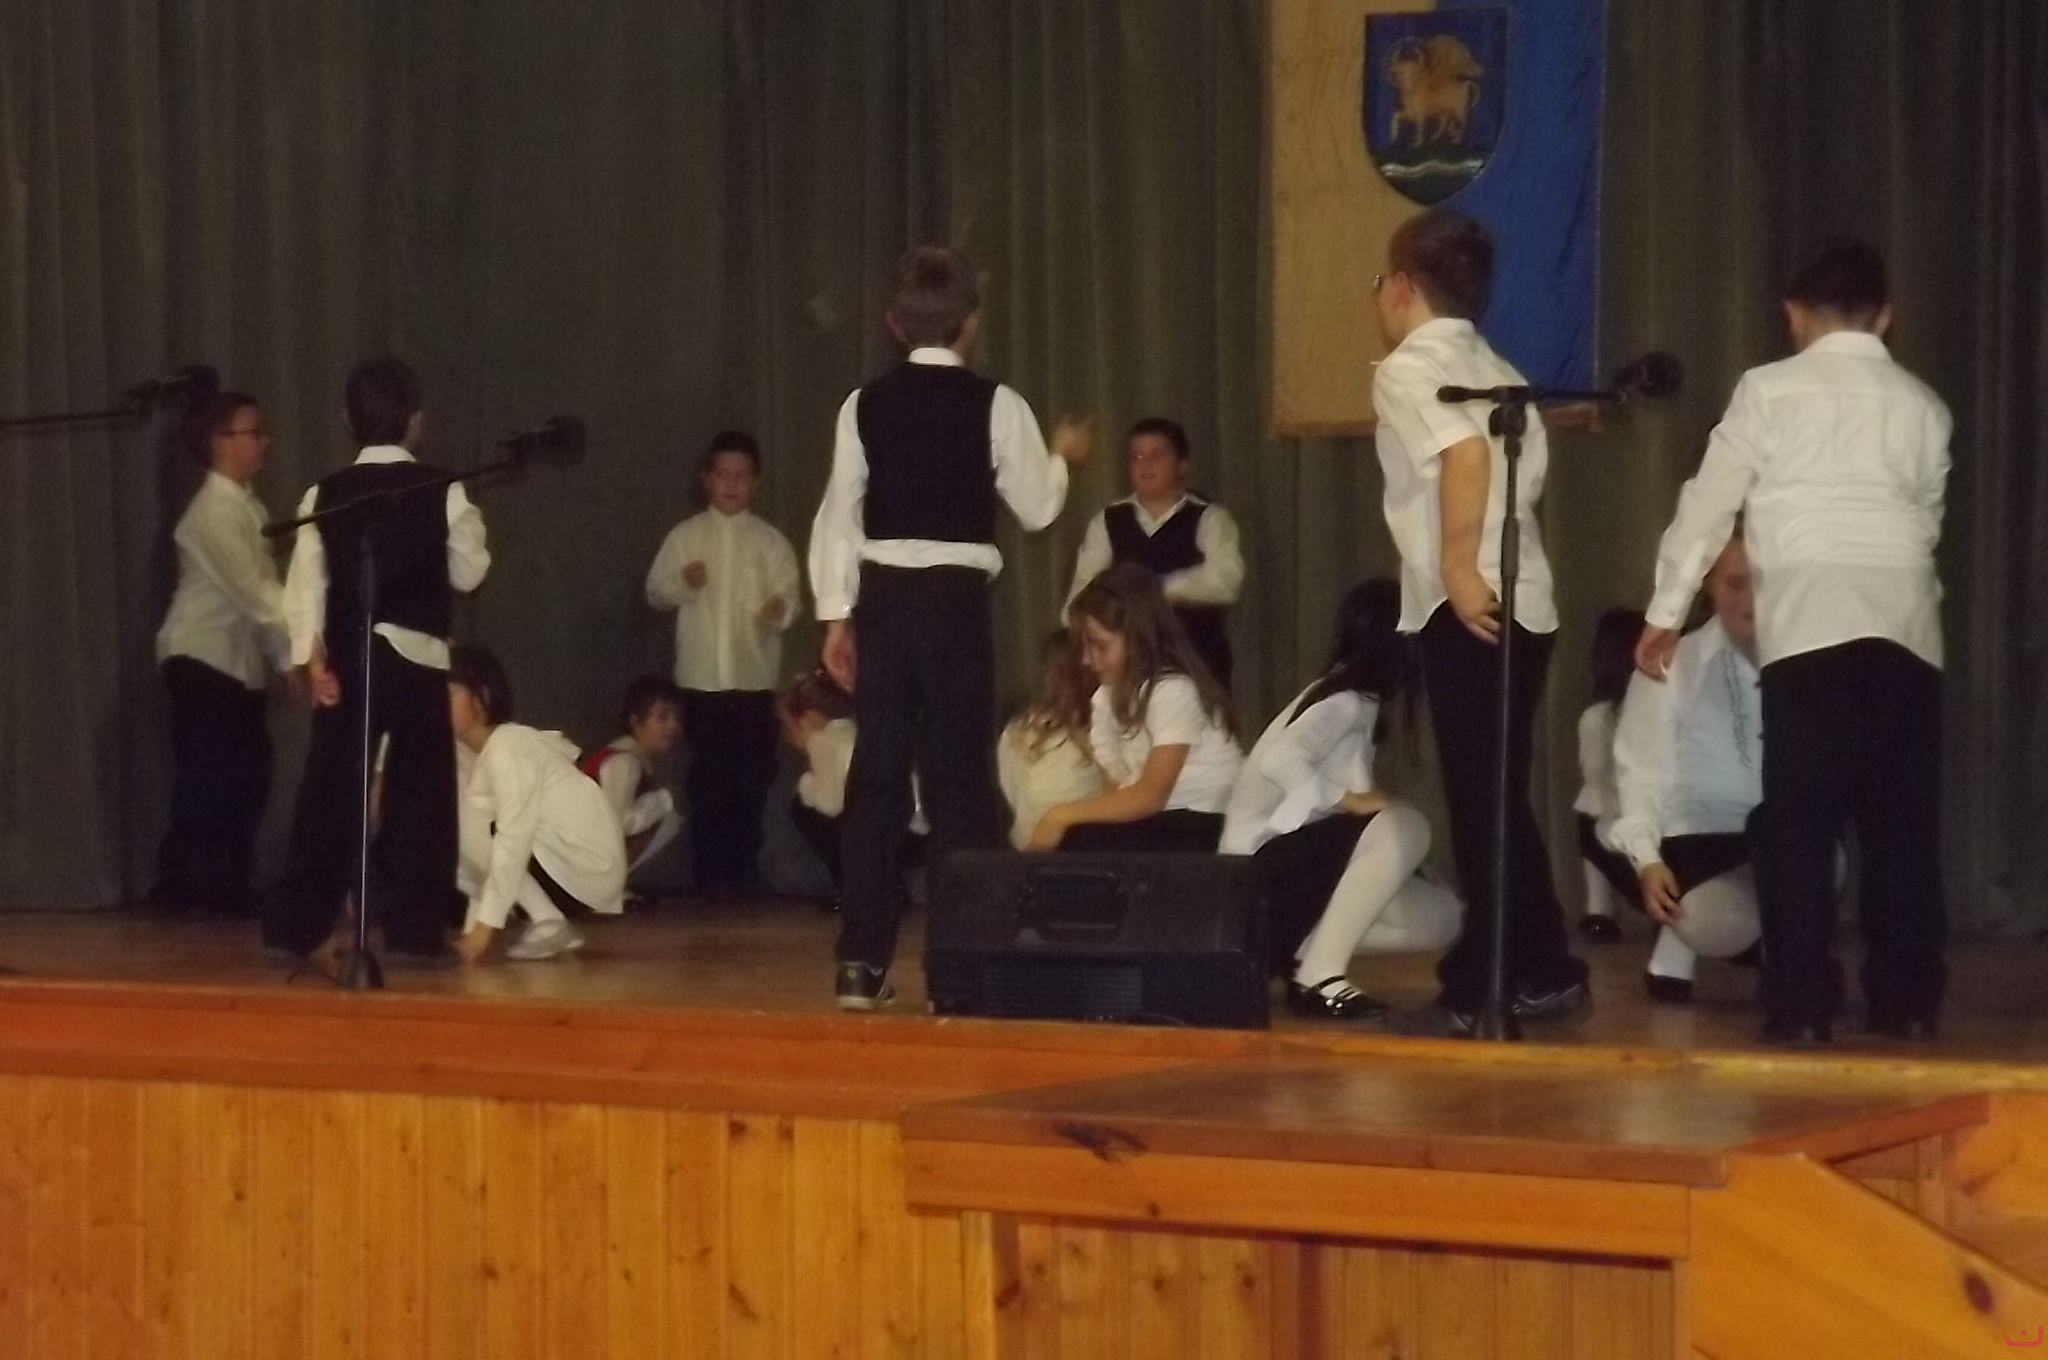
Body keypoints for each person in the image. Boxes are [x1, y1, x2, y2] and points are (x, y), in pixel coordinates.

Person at [1636, 237, 1951, 1046]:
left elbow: (1708, 504)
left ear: (1793, 314)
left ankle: (1802, 1007)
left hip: (1810, 627)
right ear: (1885, 315)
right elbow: (1926, 519)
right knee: (1902, 830)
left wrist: (1666, 609)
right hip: (1907, 629)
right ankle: (1908, 1002)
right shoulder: (1925, 405)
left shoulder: (1767, 391)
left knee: (1799, 828)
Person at [808, 244, 1092, 1009]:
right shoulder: (997, 404)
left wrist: (835, 615)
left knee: (877, 778)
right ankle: (956, 971)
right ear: (971, 323)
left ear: (893, 324)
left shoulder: (862, 404)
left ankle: (859, 962)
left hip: (883, 601)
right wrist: (1062, 458)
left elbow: (839, 515)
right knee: (959, 782)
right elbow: (1038, 508)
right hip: (955, 602)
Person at [1369, 209, 1588, 1035]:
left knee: (1480, 800)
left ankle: (1481, 988)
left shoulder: (1409, 369)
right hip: (1527, 596)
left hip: (1472, 600)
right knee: (1497, 796)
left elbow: (1464, 456)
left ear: (1402, 287)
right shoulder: (1497, 366)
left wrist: (1459, 571)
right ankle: (1542, 967)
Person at [271, 357, 489, 967]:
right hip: (418, 658)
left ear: (347, 420)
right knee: (422, 794)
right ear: (416, 421)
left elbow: (305, 586)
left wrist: (312, 661)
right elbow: (471, 571)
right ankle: (415, 928)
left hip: (352, 656)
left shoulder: (324, 493)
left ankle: (299, 927)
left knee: (331, 789)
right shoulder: (442, 488)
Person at [1220, 580, 1462, 1020]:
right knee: (1407, 825)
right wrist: (1345, 798)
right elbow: (1280, 760)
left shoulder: (1356, 703)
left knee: (1443, 916)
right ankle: (1319, 975)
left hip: (1284, 881)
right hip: (1255, 880)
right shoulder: (1343, 702)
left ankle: (1308, 955)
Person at [151, 391, 293, 920]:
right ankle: (190, 886)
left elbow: (260, 598)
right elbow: (257, 595)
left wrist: (284, 661)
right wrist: (298, 655)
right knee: (211, 776)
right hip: (201, 656)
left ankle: (222, 883)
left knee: (245, 772)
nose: (264, 442)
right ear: (219, 442)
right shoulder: (212, 512)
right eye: (253, 432)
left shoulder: (247, 507)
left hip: (233, 663)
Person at [644, 430, 802, 899]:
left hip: (753, 681)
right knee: (707, 781)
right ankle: (710, 874)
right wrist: (682, 581)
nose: (731, 484)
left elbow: (790, 596)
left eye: (741, 476)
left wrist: (779, 608)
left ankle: (744, 871)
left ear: (756, 483)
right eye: (723, 475)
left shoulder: (771, 543)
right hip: (701, 681)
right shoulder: (685, 536)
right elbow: (656, 591)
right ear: (707, 479)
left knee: (751, 780)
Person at [1613, 535, 1765, 1004]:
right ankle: (1688, 943)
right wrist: (1647, 858)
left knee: (1821, 858)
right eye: (1735, 583)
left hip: (1776, 837)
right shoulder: (1673, 661)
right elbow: (1640, 767)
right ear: (1709, 587)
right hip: (1698, 840)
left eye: (1762, 580)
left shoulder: (1803, 664)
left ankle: (1777, 945)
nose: (1749, 597)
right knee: (1708, 917)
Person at [1028, 564, 1243, 853]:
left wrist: (1058, 816)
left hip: (1202, 823)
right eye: (1084, 648)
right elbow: (1113, 793)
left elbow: (1152, 795)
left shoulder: (1173, 690)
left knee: (1080, 838)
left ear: (1138, 638)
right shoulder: (1105, 698)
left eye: (1100, 647)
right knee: (1082, 839)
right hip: (1158, 822)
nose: (1087, 660)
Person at [448, 646, 627, 963]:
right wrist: (473, 929)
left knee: (466, 822)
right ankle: (545, 919)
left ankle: (547, 920)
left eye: (449, 693)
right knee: (452, 823)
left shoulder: (508, 747)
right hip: (557, 862)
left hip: (584, 869)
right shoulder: (470, 754)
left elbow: (512, 836)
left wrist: (484, 927)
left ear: (483, 697)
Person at [1065, 418, 1245, 688]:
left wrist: (1156, 591)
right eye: (1136, 457)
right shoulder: (1108, 520)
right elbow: (1081, 594)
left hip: (1197, 663)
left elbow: (1227, 581)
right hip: (1127, 672)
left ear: (1182, 465)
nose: (1145, 465)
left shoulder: (1210, 518)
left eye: (1157, 455)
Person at [777, 669, 927, 909]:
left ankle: (853, 890)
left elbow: (828, 805)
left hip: (890, 835)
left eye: (788, 727)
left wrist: (806, 784)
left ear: (808, 718)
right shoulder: (856, 732)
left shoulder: (823, 742)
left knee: (805, 811)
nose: (787, 739)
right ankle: (892, 888)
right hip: (917, 831)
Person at [1574, 608, 1646, 941]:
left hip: (1619, 827)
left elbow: (1594, 778)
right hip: (1657, 823)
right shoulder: (1656, 708)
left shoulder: (1597, 718)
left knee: (1588, 812)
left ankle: (1599, 910)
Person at [996, 629, 1104, 851]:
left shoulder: (1017, 734)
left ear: (1047, 673)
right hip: (1101, 857)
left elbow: (1009, 795)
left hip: (1031, 856)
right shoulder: (1117, 732)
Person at [580, 674, 686, 895]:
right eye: (663, 717)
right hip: (578, 857)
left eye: (677, 718)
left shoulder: (630, 759)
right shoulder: (624, 761)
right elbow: (615, 824)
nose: (673, 726)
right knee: (667, 812)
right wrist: (659, 804)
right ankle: (601, 887)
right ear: (636, 721)